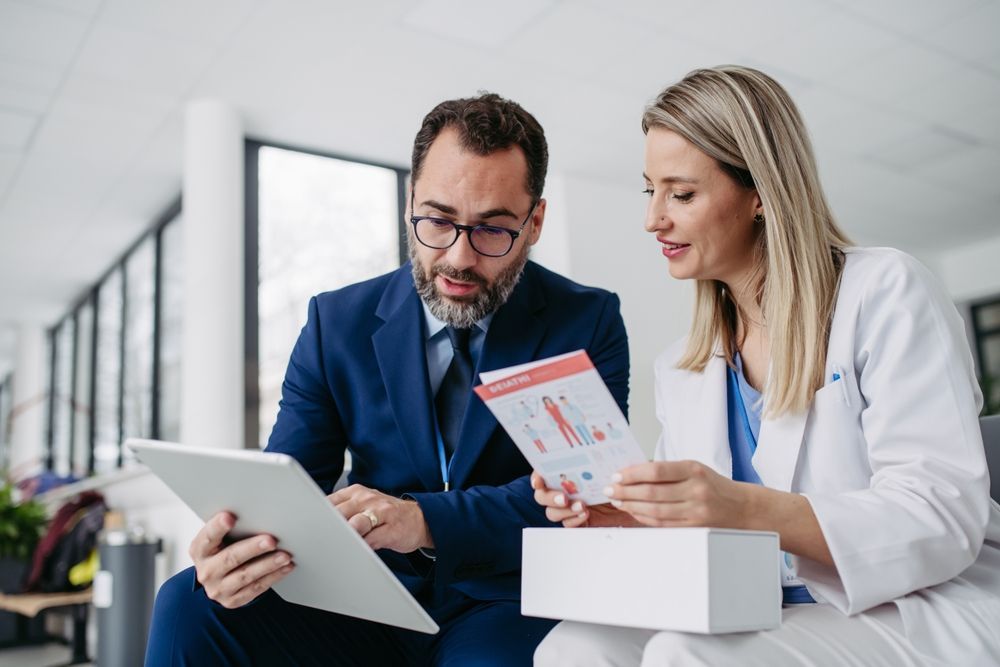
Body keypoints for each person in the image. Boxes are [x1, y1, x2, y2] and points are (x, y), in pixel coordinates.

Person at [532, 66, 1000, 666]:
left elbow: (939, 517)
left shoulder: (884, 290)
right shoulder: (685, 365)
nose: (654, 218)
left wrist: (741, 507)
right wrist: (630, 517)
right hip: (759, 603)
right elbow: (703, 544)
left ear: (759, 193)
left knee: (684, 655)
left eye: (682, 193)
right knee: (572, 648)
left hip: (915, 604)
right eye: (650, 190)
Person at [145, 93, 630, 666]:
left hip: (509, 594)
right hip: (367, 591)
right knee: (187, 602)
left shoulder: (585, 320)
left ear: (535, 223)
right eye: (438, 220)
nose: (459, 258)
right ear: (409, 203)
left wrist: (423, 520)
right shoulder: (336, 323)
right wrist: (237, 549)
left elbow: (580, 494)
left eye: (492, 231)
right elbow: (292, 480)